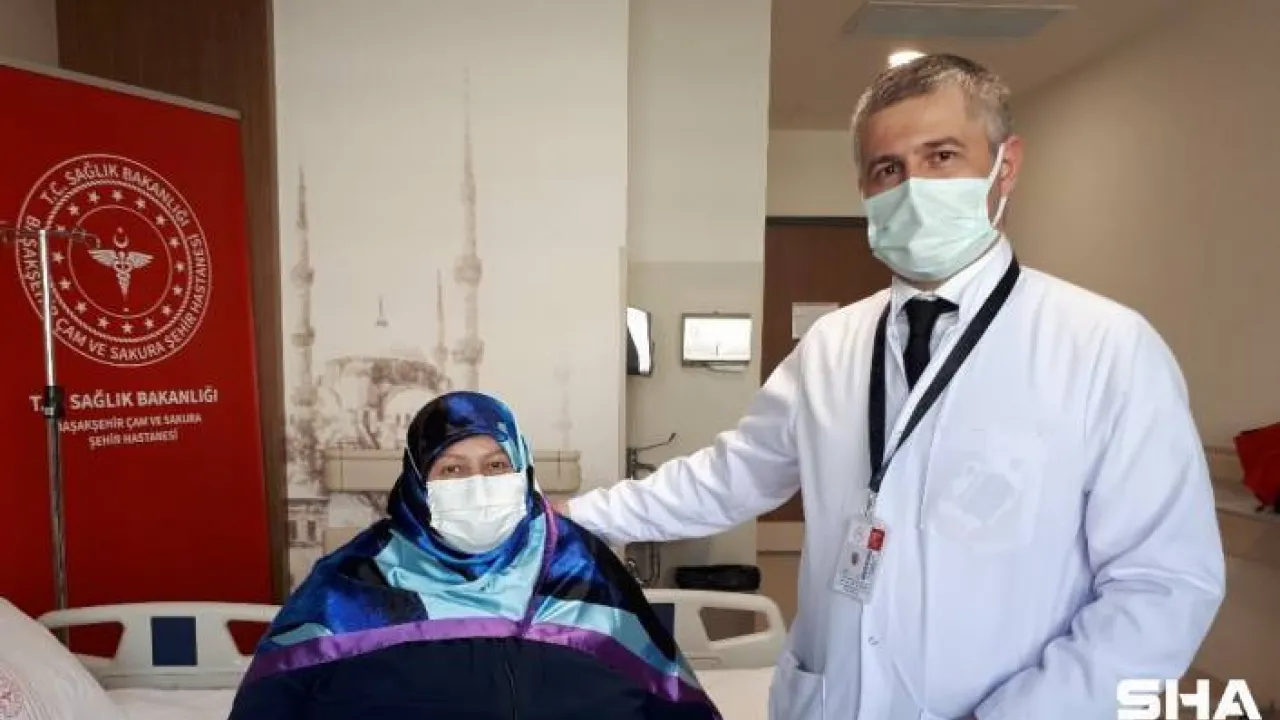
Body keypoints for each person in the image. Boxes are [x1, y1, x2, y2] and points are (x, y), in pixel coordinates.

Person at [564, 54, 1226, 719]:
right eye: (888, 169)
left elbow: (1163, 585)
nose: (913, 188)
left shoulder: (1105, 348)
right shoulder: (832, 344)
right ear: (863, 187)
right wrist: (575, 517)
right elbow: (731, 476)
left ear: (1006, 166)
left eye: (942, 156)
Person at [229, 391, 721, 720]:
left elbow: (665, 691)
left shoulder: (577, 564)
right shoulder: (354, 580)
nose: (477, 484)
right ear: (418, 481)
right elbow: (272, 701)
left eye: (496, 465)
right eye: (451, 469)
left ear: (523, 470)